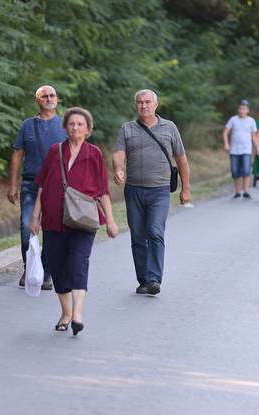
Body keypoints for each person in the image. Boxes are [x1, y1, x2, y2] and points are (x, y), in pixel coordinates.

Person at [29, 107, 118, 336]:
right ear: (65, 127)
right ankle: (66, 313)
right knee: (58, 267)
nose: (75, 127)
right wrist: (35, 216)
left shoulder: (94, 154)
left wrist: (110, 220)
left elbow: (103, 191)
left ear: (88, 129)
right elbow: (42, 185)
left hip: (84, 220)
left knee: (78, 262)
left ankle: (78, 314)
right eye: (72, 124)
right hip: (54, 218)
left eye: (80, 124)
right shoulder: (54, 151)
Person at [112, 89, 191, 296]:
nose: (143, 105)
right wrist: (118, 169)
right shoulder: (127, 128)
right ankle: (144, 279)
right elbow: (119, 154)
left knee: (155, 231)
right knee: (138, 236)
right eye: (139, 102)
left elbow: (181, 158)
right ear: (135, 105)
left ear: (156, 104)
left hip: (160, 190)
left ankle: (154, 279)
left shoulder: (169, 127)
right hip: (134, 190)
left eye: (147, 102)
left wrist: (186, 188)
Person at [8, 85, 67, 290]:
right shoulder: (27, 125)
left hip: (57, 186)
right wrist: (12, 184)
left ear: (57, 99)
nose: (49, 98)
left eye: (52, 95)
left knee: (51, 231)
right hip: (31, 185)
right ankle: (29, 267)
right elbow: (17, 155)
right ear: (37, 101)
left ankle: (47, 273)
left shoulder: (66, 125)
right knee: (27, 228)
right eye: (44, 96)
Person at [223, 100, 257, 199]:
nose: (242, 111)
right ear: (238, 110)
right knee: (235, 171)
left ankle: (246, 191)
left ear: (248, 110)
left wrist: (257, 147)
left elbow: (254, 136)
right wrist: (226, 143)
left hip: (246, 150)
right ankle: (237, 192)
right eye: (241, 109)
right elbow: (225, 132)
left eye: (244, 109)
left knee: (246, 171)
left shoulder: (251, 121)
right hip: (234, 150)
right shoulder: (233, 120)